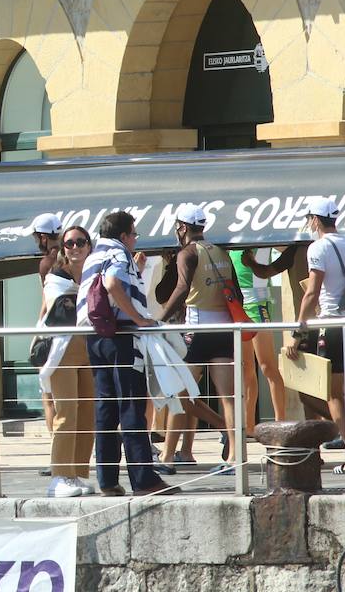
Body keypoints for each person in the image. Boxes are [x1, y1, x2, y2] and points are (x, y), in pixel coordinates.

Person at [271, 197, 345, 474]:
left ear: (316, 220)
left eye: (309, 219)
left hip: (331, 323)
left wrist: (298, 332)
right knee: (336, 391)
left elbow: (312, 292)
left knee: (330, 394)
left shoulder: (317, 247)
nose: (308, 223)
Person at [78, 211, 178, 497]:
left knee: (106, 408)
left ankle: (108, 480)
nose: (135, 239)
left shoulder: (94, 254)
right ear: (123, 236)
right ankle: (144, 480)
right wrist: (140, 319)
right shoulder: (119, 254)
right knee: (132, 406)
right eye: (134, 234)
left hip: (95, 337)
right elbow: (112, 284)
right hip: (121, 336)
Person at [153, 204, 238, 476]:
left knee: (180, 395)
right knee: (228, 397)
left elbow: (181, 288)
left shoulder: (187, 253)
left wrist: (160, 321)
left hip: (197, 330)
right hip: (224, 329)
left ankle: (167, 456)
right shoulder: (220, 251)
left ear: (182, 227)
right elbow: (237, 292)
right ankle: (235, 456)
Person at [39, 225, 96, 497]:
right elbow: (57, 310)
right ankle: (59, 475)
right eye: (69, 243)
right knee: (67, 413)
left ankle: (78, 474)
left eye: (80, 242)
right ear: (63, 248)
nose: (75, 247)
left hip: (89, 350)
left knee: (88, 415)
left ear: (89, 245)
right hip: (61, 352)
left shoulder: (95, 274)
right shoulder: (56, 277)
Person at [232, 248, 288, 425]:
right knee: (245, 367)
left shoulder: (261, 239)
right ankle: (247, 426)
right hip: (237, 305)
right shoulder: (227, 240)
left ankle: (280, 423)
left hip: (258, 304)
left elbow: (288, 249)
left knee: (267, 366)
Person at [29, 214, 63, 469]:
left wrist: (36, 334)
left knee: (49, 397)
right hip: (79, 331)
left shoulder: (47, 263)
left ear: (42, 236)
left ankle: (57, 456)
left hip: (53, 332)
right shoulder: (79, 255)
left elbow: (46, 302)